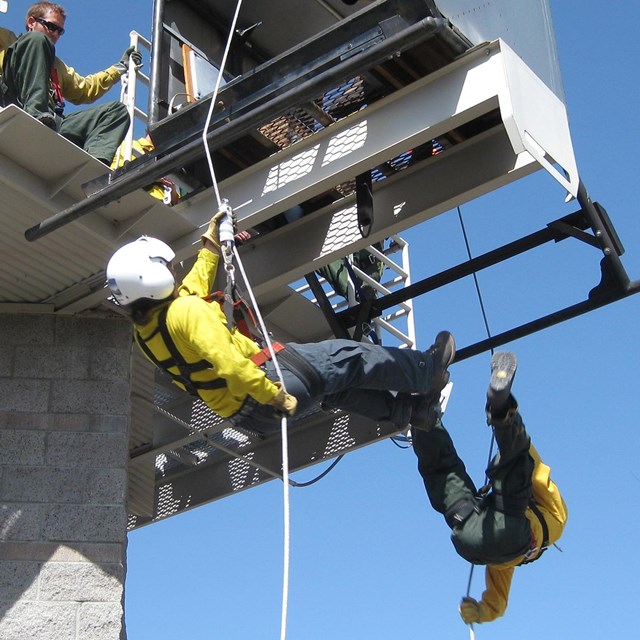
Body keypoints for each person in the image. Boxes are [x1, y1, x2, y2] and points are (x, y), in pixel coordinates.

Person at [105, 211, 456, 434]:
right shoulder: (187, 314)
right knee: (349, 356)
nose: (173, 269)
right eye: (166, 267)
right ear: (150, 278)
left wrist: (213, 244)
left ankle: (409, 413)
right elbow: (228, 364)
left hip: (249, 417)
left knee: (336, 386)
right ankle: (427, 370)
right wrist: (273, 394)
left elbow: (191, 289)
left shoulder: (148, 333)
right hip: (269, 385)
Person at [410, 351, 568, 624]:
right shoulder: (505, 563)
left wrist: (509, 426)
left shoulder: (558, 518)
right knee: (442, 473)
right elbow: (498, 603)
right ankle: (421, 416)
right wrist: (479, 612)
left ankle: (501, 410)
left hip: (508, 527)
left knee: (514, 465)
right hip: (471, 542)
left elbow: (532, 467)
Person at [0, 2, 140, 164]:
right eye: (51, 27)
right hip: (14, 104)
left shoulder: (57, 66)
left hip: (51, 122)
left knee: (116, 111)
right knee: (36, 40)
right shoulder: (7, 40)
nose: (55, 34)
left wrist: (119, 68)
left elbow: (85, 89)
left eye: (60, 31)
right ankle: (34, 116)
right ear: (31, 22)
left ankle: (94, 168)